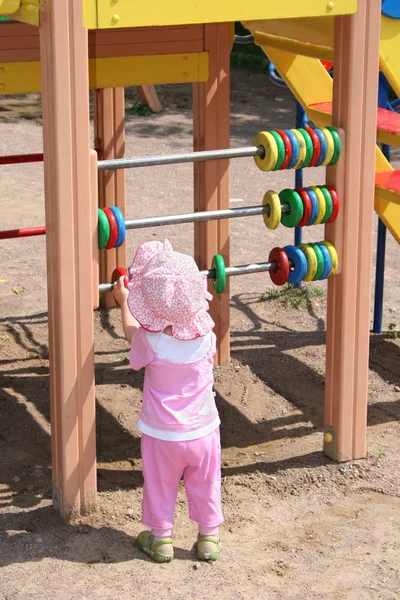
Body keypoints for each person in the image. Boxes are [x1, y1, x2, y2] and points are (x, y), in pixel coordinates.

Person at [113, 239, 223, 563]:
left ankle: (161, 540)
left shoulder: (150, 342)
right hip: (203, 431)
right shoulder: (208, 336)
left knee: (159, 485)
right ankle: (208, 538)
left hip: (162, 435)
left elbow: (131, 333)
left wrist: (124, 301)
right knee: (205, 482)